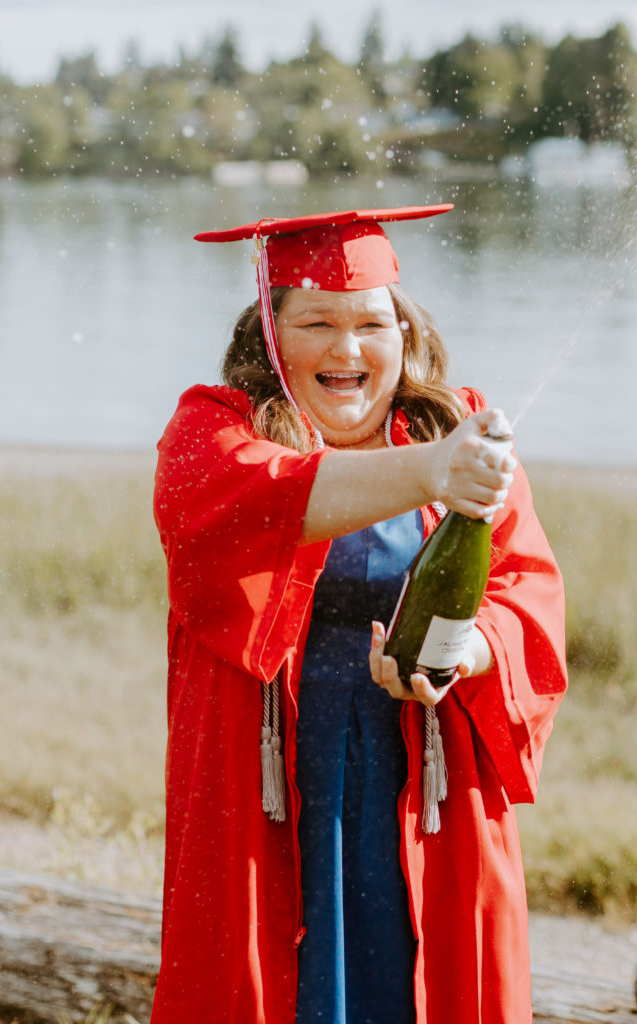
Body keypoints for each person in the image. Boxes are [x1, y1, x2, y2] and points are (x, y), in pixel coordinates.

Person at [150, 205, 567, 1024]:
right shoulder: (211, 434)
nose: (347, 350)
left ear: (403, 334)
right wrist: (435, 471)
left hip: (424, 789)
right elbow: (268, 500)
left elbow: (527, 597)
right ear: (271, 336)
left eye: (372, 323)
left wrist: (469, 653)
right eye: (318, 322)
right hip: (269, 796)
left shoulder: (457, 435)